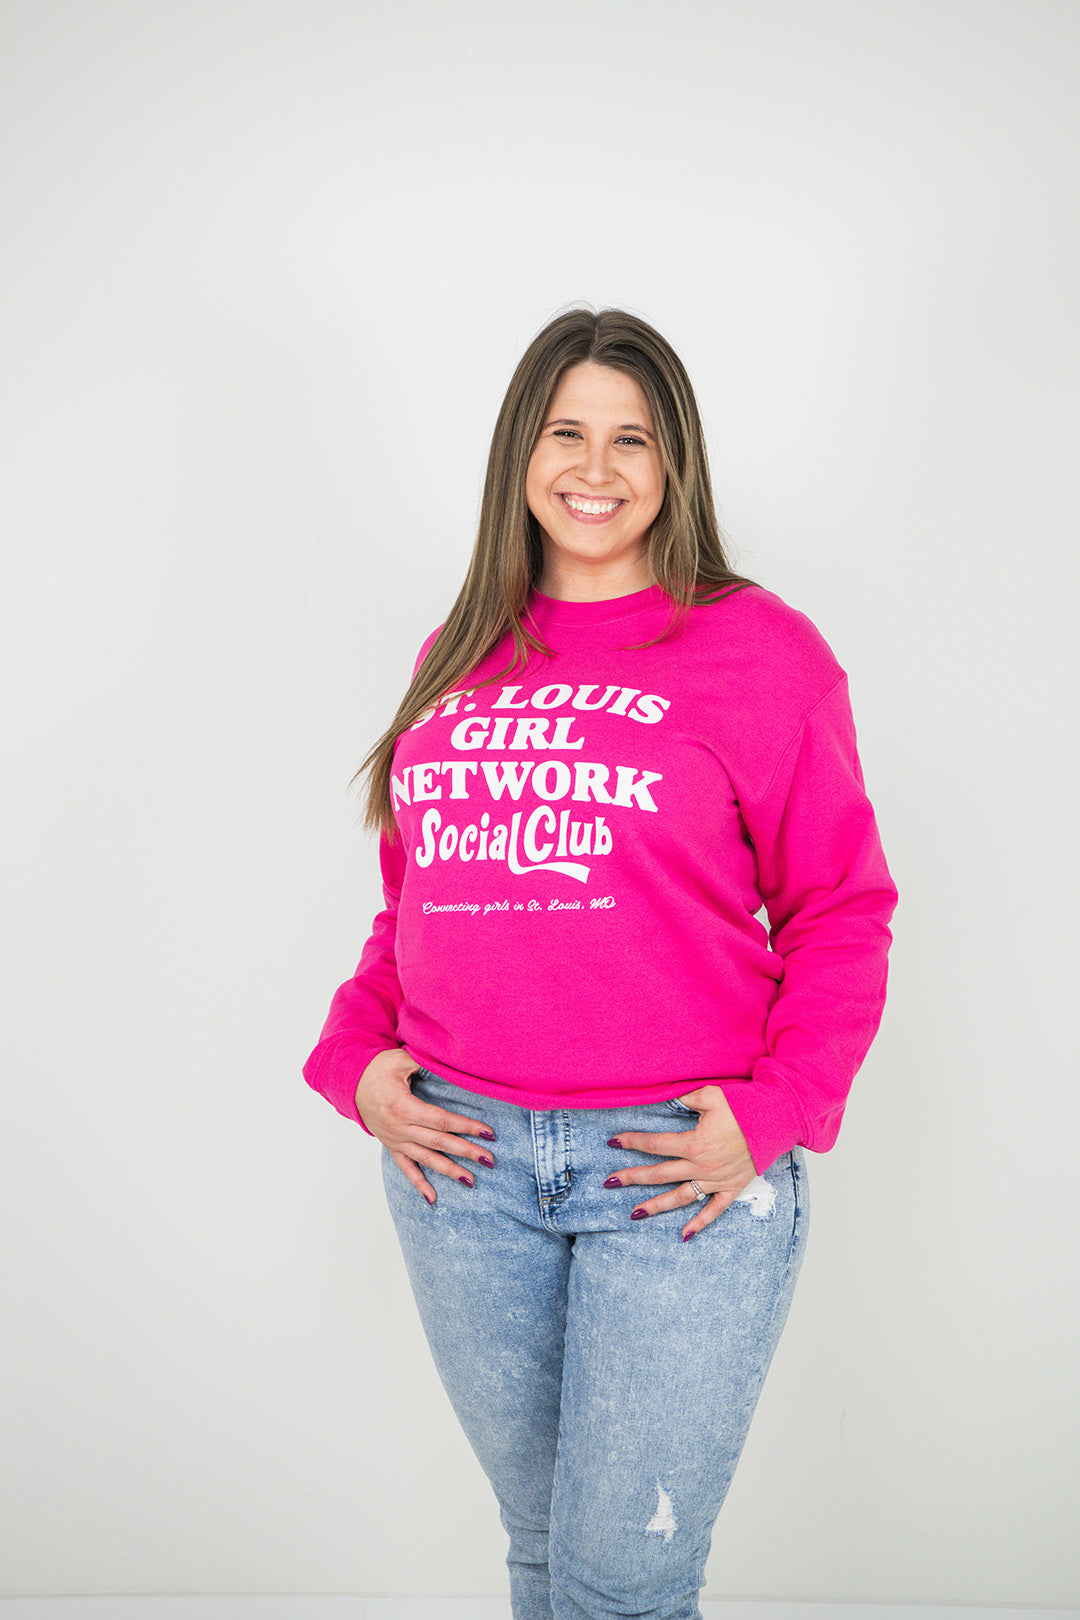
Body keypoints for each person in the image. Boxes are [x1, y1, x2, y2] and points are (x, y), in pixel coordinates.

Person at [303, 306, 898, 1620]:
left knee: (620, 1582)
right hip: (463, 1169)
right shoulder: (456, 655)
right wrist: (355, 1067)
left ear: (675, 463)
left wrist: (777, 1114)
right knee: (542, 1554)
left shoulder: (760, 651)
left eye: (634, 437)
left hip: (675, 1172)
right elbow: (420, 910)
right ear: (522, 452)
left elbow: (842, 912)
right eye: (568, 430)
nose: (598, 466)